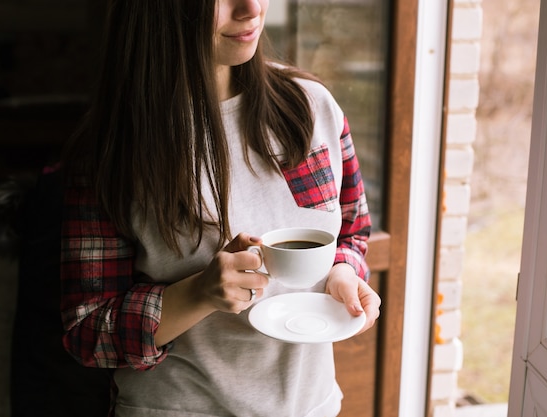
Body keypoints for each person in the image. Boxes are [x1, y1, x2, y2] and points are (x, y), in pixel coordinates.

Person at [59, 1, 381, 416]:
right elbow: (87, 331)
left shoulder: (312, 108)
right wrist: (197, 293)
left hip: (311, 405)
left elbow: (352, 232)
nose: (250, 9)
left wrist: (341, 271)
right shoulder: (115, 149)